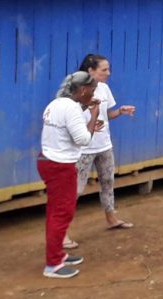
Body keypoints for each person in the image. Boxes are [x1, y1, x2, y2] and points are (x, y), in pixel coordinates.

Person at [39, 71, 96, 279]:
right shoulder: (71, 108)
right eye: (91, 91)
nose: (92, 95)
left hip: (47, 159)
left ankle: (58, 255)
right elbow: (83, 139)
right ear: (82, 90)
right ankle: (53, 264)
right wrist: (95, 114)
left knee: (56, 211)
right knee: (62, 213)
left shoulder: (56, 103)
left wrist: (85, 110)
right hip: (60, 165)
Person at [72, 54, 136, 238]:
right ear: (90, 71)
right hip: (83, 149)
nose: (108, 73)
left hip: (104, 145)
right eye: (104, 70)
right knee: (75, 189)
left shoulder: (104, 88)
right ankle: (62, 231)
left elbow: (107, 115)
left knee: (108, 182)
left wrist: (121, 112)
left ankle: (111, 218)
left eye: (108, 69)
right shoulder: (76, 92)